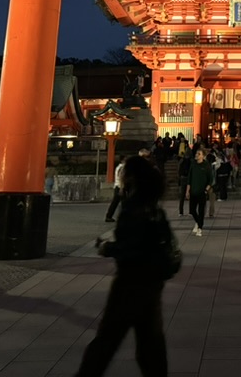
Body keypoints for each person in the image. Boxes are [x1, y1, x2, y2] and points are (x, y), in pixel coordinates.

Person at [75, 155, 174, 377]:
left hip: (129, 285)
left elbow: (132, 248)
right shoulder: (154, 209)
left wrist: (108, 248)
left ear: (131, 178)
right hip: (152, 284)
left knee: (106, 342)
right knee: (151, 346)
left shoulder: (133, 208)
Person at [186, 148, 213, 236]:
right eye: (196, 153)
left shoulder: (206, 166)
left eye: (199, 154)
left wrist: (206, 189)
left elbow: (211, 179)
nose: (196, 155)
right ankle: (198, 222)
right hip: (193, 191)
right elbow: (189, 179)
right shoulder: (193, 165)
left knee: (201, 211)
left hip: (202, 192)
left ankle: (200, 228)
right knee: (192, 210)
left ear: (203, 156)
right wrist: (187, 191)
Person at [105, 159, 126, 223]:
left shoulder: (118, 167)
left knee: (115, 203)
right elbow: (121, 177)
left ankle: (109, 216)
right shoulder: (122, 168)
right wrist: (122, 188)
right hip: (120, 187)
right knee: (124, 203)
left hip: (117, 186)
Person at [177, 151, 192, 217]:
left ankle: (181, 212)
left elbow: (178, 170)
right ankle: (190, 211)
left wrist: (179, 177)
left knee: (182, 196)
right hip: (189, 178)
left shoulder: (181, 161)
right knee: (190, 195)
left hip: (183, 177)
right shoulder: (191, 161)